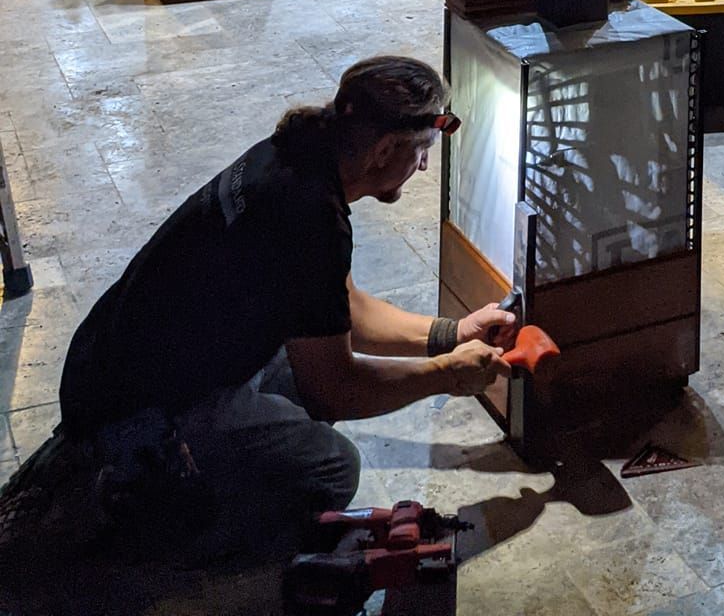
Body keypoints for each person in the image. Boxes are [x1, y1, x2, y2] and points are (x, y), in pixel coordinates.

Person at [0, 55, 512, 567]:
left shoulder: (295, 156)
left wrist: (452, 333)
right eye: (422, 150)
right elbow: (335, 386)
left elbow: (344, 311)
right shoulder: (308, 216)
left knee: (308, 389)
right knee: (331, 469)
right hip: (136, 413)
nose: (424, 165)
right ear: (383, 150)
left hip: (107, 368)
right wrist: (446, 376)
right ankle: (152, 517)